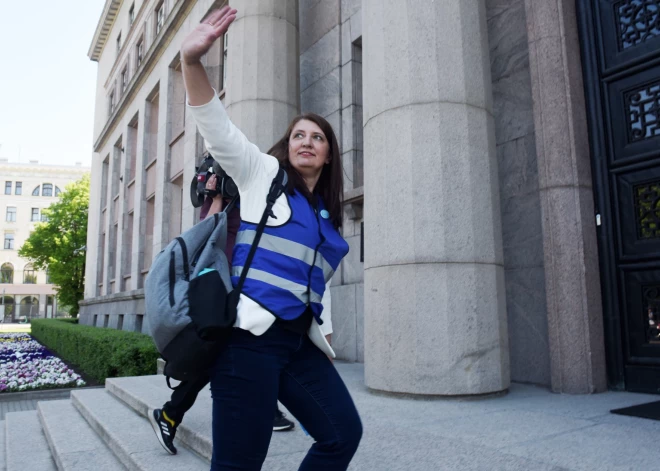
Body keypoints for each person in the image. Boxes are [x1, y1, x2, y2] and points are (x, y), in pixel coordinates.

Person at [180, 5, 362, 470]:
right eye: (299, 134)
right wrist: (191, 62)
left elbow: (312, 285)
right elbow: (217, 129)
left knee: (341, 434)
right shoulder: (263, 175)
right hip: (247, 342)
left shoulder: (325, 215)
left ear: (327, 154)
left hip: (298, 343)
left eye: (317, 137)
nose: (306, 141)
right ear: (288, 144)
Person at [148, 174, 295, 456]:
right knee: (216, 350)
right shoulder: (217, 201)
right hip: (220, 286)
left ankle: (170, 414)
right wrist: (216, 198)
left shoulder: (256, 198)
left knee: (230, 349)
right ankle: (170, 414)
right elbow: (204, 234)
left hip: (246, 283)